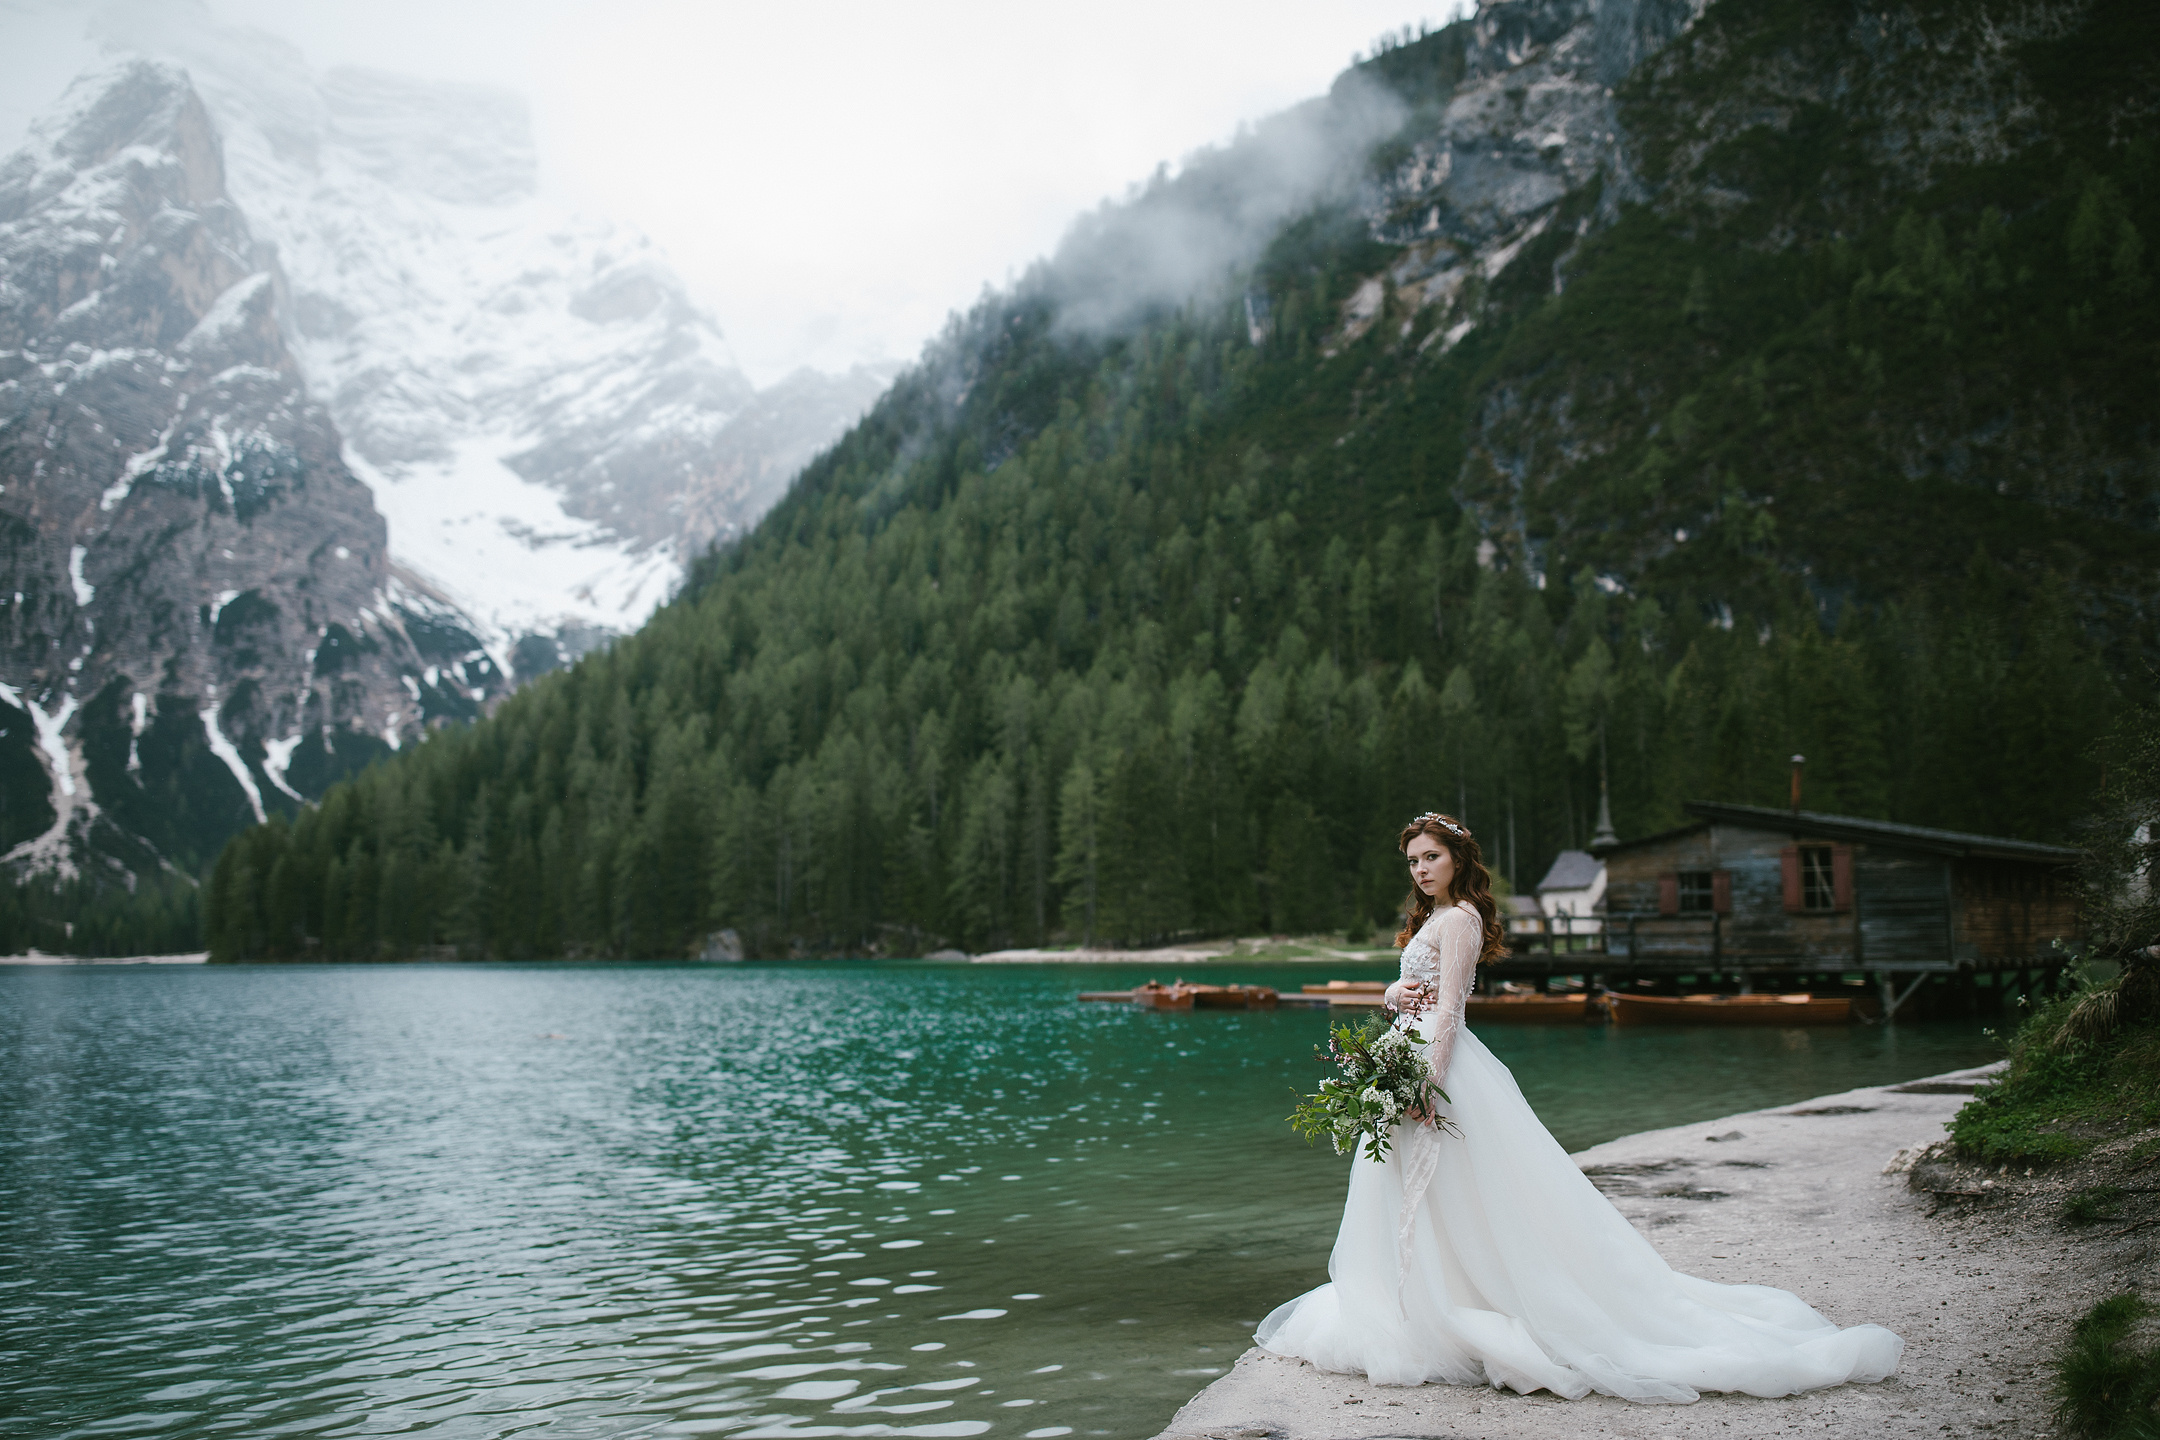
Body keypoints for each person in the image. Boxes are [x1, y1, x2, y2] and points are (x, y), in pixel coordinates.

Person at [1254, 811, 1903, 1403]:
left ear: (1458, 860)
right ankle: (1424, 1299)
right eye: (1413, 861)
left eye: (1432, 857)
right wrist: (1398, 995)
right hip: (1410, 1052)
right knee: (1418, 1191)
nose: (1422, 869)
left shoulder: (1459, 920)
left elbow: (1452, 1007)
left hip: (1436, 1063)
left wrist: (1429, 1079)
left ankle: (1462, 1305)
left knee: (1456, 1187)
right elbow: (1422, 992)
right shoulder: (1432, 920)